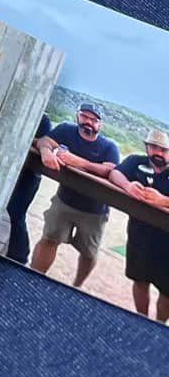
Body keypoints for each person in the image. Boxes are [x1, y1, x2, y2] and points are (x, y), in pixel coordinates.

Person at [31, 103, 121, 290]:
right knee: (49, 238)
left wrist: (79, 162)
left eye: (94, 120)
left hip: (95, 210)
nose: (89, 122)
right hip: (64, 200)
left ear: (100, 125)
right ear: (77, 116)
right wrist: (46, 151)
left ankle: (76, 287)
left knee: (89, 253)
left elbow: (110, 170)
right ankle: (33, 278)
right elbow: (44, 141)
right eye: (85, 116)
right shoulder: (66, 130)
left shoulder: (109, 146)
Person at [110, 127, 169, 323]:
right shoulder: (136, 162)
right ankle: (142, 320)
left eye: (164, 149)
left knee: (167, 291)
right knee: (139, 279)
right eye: (154, 147)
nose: (159, 153)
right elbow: (115, 173)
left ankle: (160, 325)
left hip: (167, 243)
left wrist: (163, 201)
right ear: (146, 147)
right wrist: (127, 185)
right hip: (139, 234)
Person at [4, 114, 53, 267]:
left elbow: (44, 142)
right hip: (7, 170)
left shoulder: (42, 120)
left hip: (28, 176)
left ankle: (19, 256)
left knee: (15, 213)